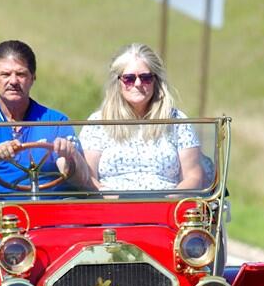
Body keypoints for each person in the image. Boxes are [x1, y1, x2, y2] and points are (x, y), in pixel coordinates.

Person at [0, 40, 89, 274]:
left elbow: (82, 179)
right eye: (5, 74)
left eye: (21, 74)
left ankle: (71, 279)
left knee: (79, 212)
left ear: (32, 78)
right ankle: (7, 283)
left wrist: (69, 158)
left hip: (51, 214)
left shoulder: (56, 121)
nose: (13, 81)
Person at [79, 43, 203, 191]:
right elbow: (88, 177)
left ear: (155, 80)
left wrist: (169, 201)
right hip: (112, 208)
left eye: (145, 78)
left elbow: (193, 176)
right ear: (118, 82)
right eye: (129, 79)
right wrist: (109, 200)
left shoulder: (177, 121)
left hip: (164, 207)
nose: (138, 83)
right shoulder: (98, 123)